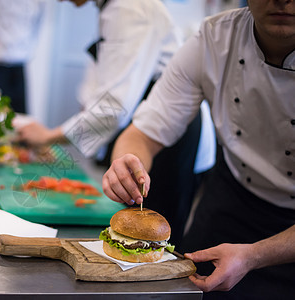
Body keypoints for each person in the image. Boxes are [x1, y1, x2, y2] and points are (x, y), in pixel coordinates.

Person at [102, 1, 295, 299]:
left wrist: (254, 254)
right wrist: (126, 162)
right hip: (232, 200)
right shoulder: (214, 38)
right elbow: (143, 133)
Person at [16, 0, 211, 246]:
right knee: (130, 231)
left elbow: (113, 109)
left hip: (168, 135)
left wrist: (48, 136)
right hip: (144, 125)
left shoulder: (130, 8)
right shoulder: (115, 8)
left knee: (155, 239)